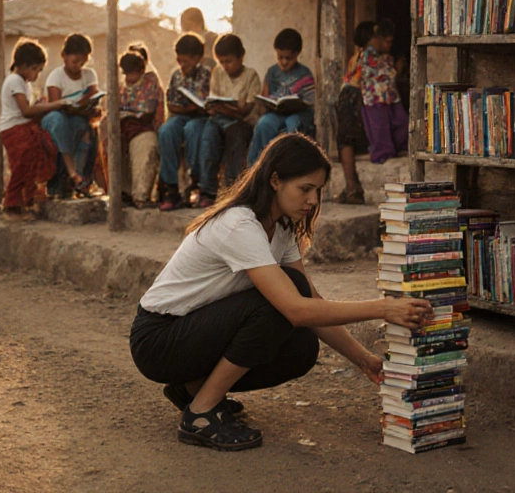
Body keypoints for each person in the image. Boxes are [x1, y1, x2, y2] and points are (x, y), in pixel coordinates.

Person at [129, 133, 433, 451]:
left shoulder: (281, 227)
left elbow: (312, 304)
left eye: (318, 191)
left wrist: (364, 360)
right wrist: (384, 308)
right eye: (305, 189)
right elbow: (295, 308)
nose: (314, 200)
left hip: (191, 334)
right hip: (158, 339)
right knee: (282, 302)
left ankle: (193, 388)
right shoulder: (239, 225)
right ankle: (201, 412)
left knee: (301, 349)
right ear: (275, 180)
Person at [0, 39, 67, 221]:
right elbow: (26, 111)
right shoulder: (14, 81)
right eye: (36, 70)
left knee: (30, 165)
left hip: (22, 127)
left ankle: (25, 204)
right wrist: (53, 105)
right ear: (26, 66)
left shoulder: (24, 84)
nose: (37, 74)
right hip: (14, 129)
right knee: (21, 167)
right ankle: (11, 207)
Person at [196, 33, 260, 208]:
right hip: (219, 120)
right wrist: (218, 108)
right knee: (208, 135)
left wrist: (227, 109)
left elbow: (246, 109)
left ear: (241, 56)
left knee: (236, 135)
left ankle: (233, 189)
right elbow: (213, 101)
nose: (225, 66)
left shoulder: (251, 76)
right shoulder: (218, 73)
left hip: (242, 122)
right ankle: (207, 189)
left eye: (229, 61)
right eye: (221, 61)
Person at [42, 33, 101, 198]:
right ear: (64, 56)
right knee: (60, 122)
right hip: (58, 117)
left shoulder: (89, 75)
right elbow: (55, 105)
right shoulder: (56, 75)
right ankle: (70, 172)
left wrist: (89, 108)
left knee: (83, 128)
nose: (78, 66)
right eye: (75, 61)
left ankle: (80, 179)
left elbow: (93, 96)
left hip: (78, 118)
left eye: (83, 62)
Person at [157, 33, 211, 211]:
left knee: (192, 130)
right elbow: (171, 102)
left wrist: (196, 108)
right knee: (166, 130)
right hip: (180, 115)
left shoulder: (207, 75)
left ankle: (195, 181)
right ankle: (171, 187)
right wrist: (182, 108)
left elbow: (209, 103)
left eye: (186, 62)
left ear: (197, 58)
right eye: (179, 61)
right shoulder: (176, 76)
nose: (182, 65)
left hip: (200, 118)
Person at [247, 28, 315, 165]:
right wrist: (266, 102)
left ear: (297, 54)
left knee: (293, 124)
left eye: (288, 58)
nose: (283, 62)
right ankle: (260, 165)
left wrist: (297, 104)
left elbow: (309, 101)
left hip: (298, 114)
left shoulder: (304, 74)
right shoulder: (272, 72)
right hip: (276, 113)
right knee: (263, 124)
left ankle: (291, 164)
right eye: (280, 57)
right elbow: (265, 96)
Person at [334, 21, 375, 204]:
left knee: (344, 140)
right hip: (353, 108)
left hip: (349, 108)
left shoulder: (355, 57)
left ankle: (351, 187)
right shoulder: (368, 57)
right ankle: (352, 187)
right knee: (345, 139)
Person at [116, 49, 162, 208]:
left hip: (144, 128)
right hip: (125, 129)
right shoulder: (121, 86)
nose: (129, 78)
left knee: (145, 146)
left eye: (132, 73)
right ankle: (122, 192)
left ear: (141, 70)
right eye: (126, 74)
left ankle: (141, 196)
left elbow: (150, 110)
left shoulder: (150, 83)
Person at [359, 19, 410, 164]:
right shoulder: (367, 55)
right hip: (374, 98)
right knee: (379, 128)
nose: (389, 45)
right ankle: (383, 155)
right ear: (377, 39)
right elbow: (386, 74)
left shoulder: (385, 57)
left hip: (391, 96)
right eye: (387, 42)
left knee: (401, 123)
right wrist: (398, 69)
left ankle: (401, 148)